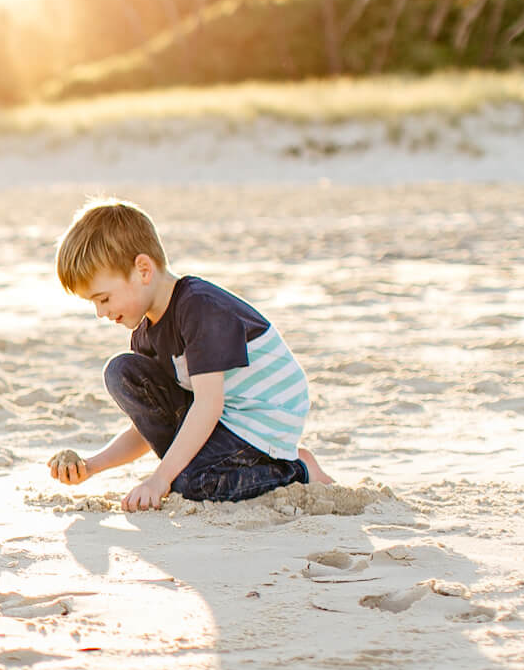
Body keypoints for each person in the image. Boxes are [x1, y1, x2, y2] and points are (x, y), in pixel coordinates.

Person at [47, 198, 331, 510]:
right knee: (122, 371)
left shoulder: (199, 308)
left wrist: (160, 479)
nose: (100, 313)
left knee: (190, 483)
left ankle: (296, 469)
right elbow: (145, 429)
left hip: (262, 422)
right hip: (226, 420)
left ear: (143, 270)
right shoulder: (146, 334)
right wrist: (91, 466)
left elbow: (209, 404)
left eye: (103, 298)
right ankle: (192, 464)